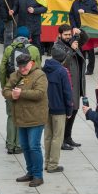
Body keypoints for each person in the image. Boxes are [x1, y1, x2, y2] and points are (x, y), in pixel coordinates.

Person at [2, 52, 49, 187]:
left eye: (25, 66)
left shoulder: (39, 75)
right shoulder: (15, 76)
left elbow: (39, 94)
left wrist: (21, 93)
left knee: (34, 146)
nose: (23, 69)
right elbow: (5, 90)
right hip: (21, 117)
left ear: (31, 63)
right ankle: (30, 172)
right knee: (25, 146)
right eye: (20, 67)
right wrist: (11, 95)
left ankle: (38, 176)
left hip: (36, 117)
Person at [0, 32, 41, 154]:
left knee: (11, 116)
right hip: (26, 87)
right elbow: (37, 69)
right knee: (23, 116)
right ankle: (19, 145)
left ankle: (10, 144)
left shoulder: (9, 49)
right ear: (29, 37)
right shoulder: (33, 49)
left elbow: (2, 69)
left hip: (11, 86)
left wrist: (4, 86)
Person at [43, 44, 73, 172]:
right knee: (57, 137)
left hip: (46, 107)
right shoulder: (62, 71)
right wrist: (69, 110)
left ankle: (47, 162)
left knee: (48, 136)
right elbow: (67, 92)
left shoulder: (44, 69)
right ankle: (53, 165)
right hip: (59, 108)